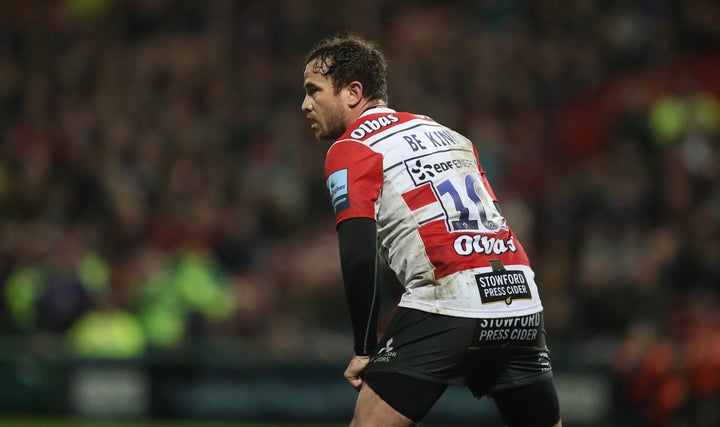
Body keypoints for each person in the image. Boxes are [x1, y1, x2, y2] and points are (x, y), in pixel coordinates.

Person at [301, 33, 562, 427]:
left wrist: (364, 347)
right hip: (521, 300)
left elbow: (357, 254)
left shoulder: (351, 148)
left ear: (353, 92)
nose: (305, 105)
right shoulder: (444, 132)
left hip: (450, 299)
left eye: (313, 91)